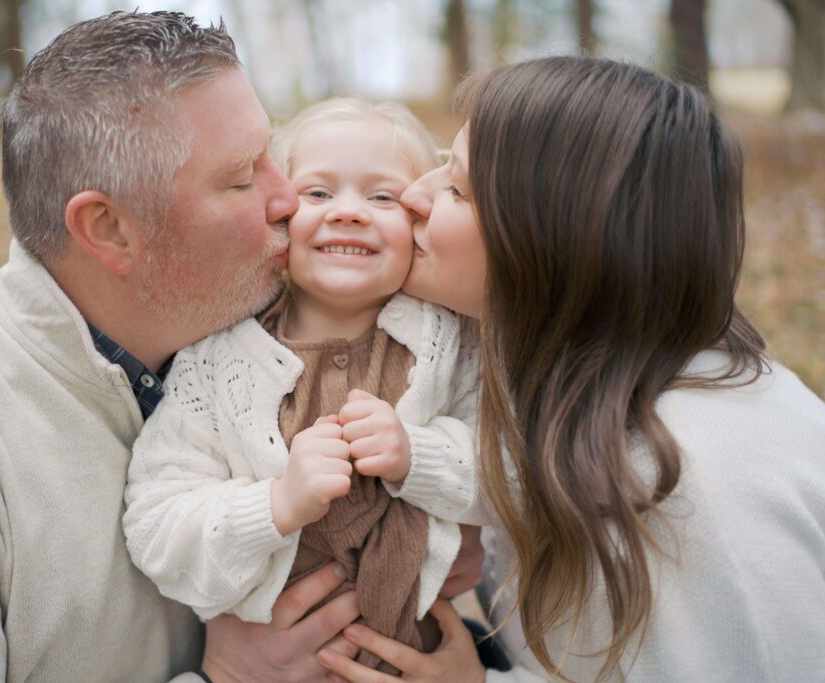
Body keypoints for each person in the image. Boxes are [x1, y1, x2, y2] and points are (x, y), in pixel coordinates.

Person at [0, 11, 367, 681]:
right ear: (108, 229)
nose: (292, 200)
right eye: (243, 179)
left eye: (276, 158)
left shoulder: (286, 339)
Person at [317, 57, 825, 682]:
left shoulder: (694, 485)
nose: (414, 194)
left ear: (547, 241)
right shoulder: (576, 387)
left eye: (456, 188)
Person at [122, 98, 486, 674]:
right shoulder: (216, 361)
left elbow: (516, 479)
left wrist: (419, 456)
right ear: (278, 217)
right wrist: (277, 503)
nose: (348, 212)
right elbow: (156, 528)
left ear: (418, 221)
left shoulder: (451, 343)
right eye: (318, 194)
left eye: (382, 196)